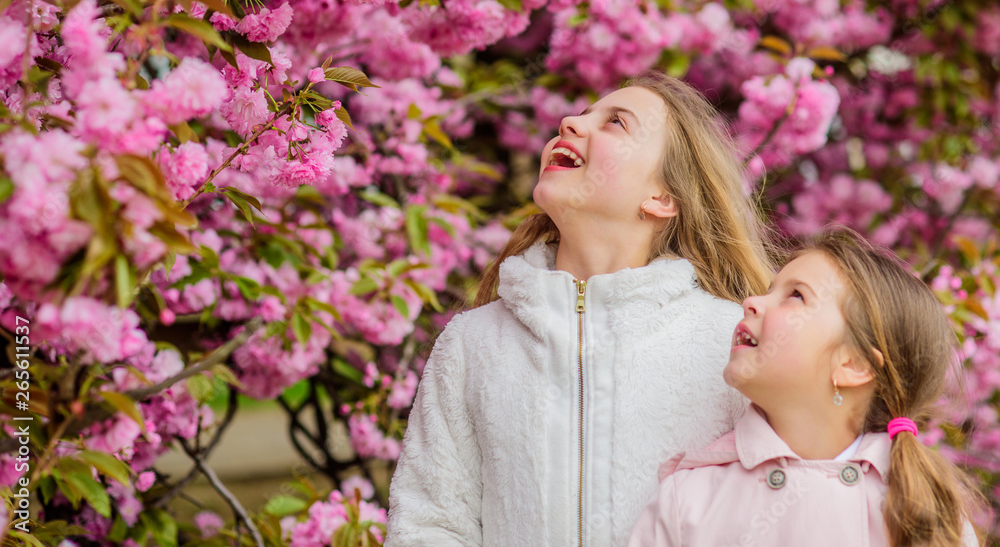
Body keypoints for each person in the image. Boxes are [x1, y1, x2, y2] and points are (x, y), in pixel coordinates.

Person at [385, 71, 776, 547]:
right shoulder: (472, 343)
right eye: (582, 113)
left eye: (616, 122)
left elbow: (774, 513)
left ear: (662, 197)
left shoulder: (729, 341)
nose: (569, 121)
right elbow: (429, 526)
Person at [627, 228, 983, 547]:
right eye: (770, 290)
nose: (752, 301)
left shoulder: (925, 511)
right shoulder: (689, 500)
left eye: (795, 296)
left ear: (854, 365)